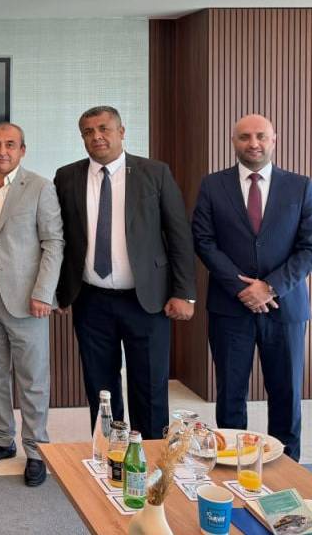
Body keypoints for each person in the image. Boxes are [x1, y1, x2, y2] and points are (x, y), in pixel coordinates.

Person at [54, 105, 196, 439]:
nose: (96, 137)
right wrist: (60, 290)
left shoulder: (154, 173)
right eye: (88, 132)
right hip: (91, 299)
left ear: (121, 132)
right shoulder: (67, 176)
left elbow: (178, 235)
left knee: (150, 386)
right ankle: (110, 453)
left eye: (104, 129)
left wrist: (184, 292)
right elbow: (59, 237)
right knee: (100, 386)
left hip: (146, 299)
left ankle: (152, 455)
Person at [192, 114, 312, 461]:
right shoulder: (212, 185)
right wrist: (242, 289)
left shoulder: (299, 186)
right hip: (229, 308)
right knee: (230, 395)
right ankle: (233, 467)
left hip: (285, 308)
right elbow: (204, 241)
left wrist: (270, 287)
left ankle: (287, 468)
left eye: (261, 136)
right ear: (233, 142)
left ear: (274, 140)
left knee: (286, 395)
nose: (254, 143)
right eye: (245, 137)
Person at [0, 122, 64, 487]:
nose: (2, 151)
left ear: (22, 150)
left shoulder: (40, 187)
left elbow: (53, 242)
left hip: (27, 300)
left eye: (10, 144)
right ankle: (2, 440)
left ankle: (36, 451)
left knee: (33, 379)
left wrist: (43, 293)